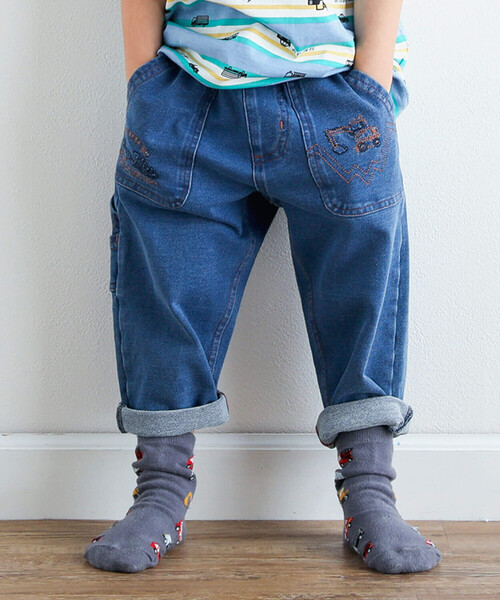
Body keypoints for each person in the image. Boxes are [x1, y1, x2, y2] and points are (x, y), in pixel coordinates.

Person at [84, 0, 442, 575]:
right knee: (166, 285)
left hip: (336, 90)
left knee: (362, 286)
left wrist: (370, 84)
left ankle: (370, 488)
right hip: (190, 87)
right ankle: (160, 489)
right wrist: (145, 83)